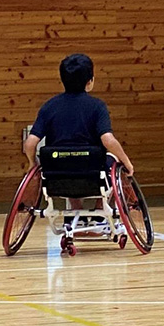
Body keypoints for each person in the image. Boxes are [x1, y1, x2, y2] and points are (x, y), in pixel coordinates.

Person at [23, 54, 135, 210]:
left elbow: (30, 143)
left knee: (65, 160)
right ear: (90, 82)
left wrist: (32, 163)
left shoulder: (49, 106)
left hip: (57, 175)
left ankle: (75, 207)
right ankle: (100, 208)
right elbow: (108, 140)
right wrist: (127, 162)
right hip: (93, 173)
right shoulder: (97, 106)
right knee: (113, 158)